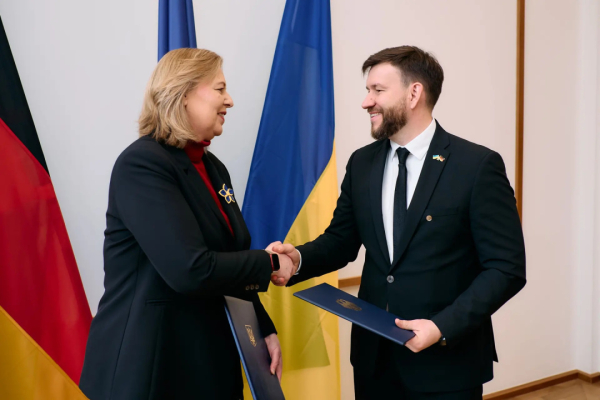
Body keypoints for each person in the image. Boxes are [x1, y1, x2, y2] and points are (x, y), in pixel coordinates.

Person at [269, 46, 526, 399]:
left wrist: (441, 327)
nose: (366, 102)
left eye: (377, 90)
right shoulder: (362, 163)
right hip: (374, 362)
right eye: (367, 90)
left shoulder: (476, 166)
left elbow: (506, 268)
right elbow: (341, 241)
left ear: (414, 93)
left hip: (447, 364)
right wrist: (296, 259)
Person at [79, 48, 296, 400]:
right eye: (220, 89)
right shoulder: (142, 165)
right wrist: (270, 262)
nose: (230, 100)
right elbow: (190, 269)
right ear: (182, 94)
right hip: (153, 367)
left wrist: (263, 327)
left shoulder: (213, 167)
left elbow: (228, 259)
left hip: (207, 363)